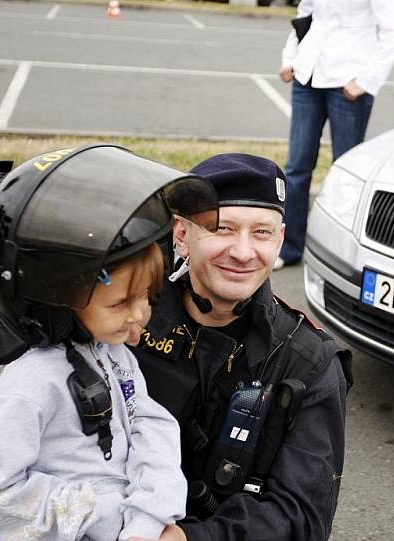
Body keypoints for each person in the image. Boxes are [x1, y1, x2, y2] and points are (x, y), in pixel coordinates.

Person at [0, 145, 218, 540]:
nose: (138, 317)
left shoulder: (109, 351)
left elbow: (146, 420)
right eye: (120, 303)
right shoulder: (30, 387)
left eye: (146, 298)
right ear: (54, 299)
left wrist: (152, 509)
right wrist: (108, 514)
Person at [129, 153, 353, 541]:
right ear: (181, 233)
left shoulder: (309, 363)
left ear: (280, 238)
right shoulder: (127, 318)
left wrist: (189, 539)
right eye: (223, 229)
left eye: (262, 233)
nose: (243, 252)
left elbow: (302, 517)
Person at [277, 0, 394, 268]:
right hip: (307, 76)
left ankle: (343, 252)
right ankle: (289, 249)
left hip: (348, 83)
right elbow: (304, 16)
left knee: (347, 174)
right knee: (296, 168)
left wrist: (366, 81)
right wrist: (291, 59)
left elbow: (393, 33)